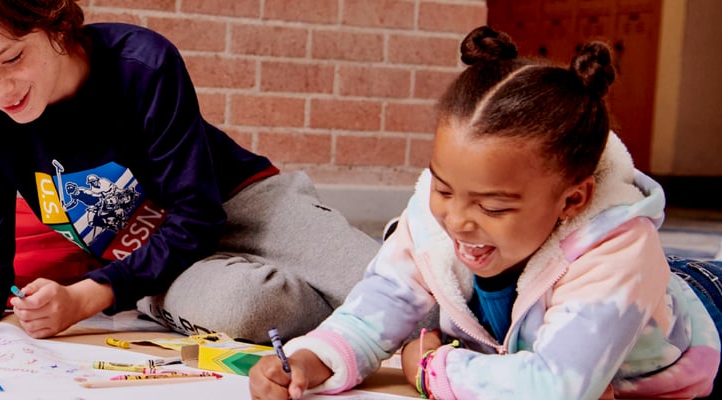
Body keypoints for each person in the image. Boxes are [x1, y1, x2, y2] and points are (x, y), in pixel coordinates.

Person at [248, 26, 721, 400]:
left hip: (698, 304)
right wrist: (311, 360)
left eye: (493, 206)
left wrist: (431, 371)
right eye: (443, 188)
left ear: (572, 200)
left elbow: (558, 386)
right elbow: (381, 305)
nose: (457, 220)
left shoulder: (615, 248)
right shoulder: (438, 218)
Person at [0, 0, 379, 341]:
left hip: (243, 205)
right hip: (154, 264)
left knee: (392, 283)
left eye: (11, 58)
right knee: (250, 308)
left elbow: (198, 217)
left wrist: (90, 296)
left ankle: (362, 305)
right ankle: (355, 321)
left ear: (52, 20)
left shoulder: (142, 63)